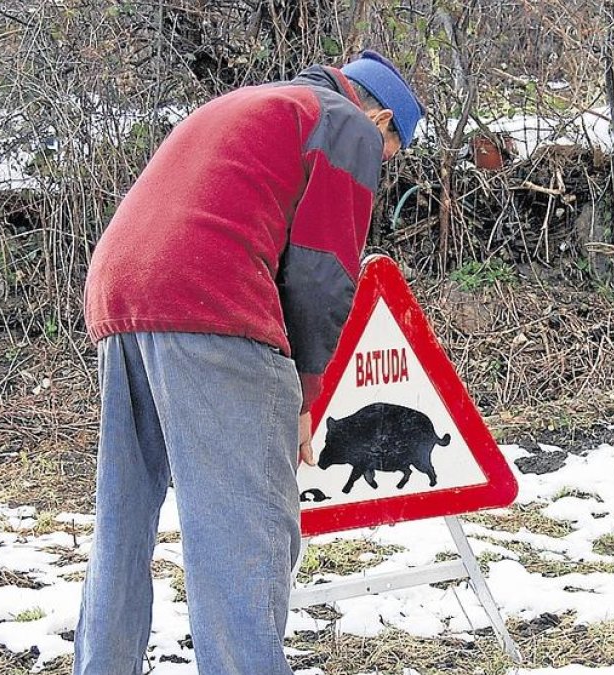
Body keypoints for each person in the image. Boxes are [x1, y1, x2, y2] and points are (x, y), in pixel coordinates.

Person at [75, 50, 423, 675]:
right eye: (391, 155)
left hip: (121, 292)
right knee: (246, 533)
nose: (382, 168)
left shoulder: (258, 104)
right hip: (211, 295)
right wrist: (304, 396)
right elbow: (322, 274)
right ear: (382, 121)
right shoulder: (346, 124)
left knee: (123, 521)